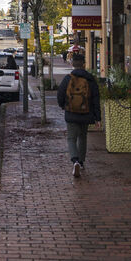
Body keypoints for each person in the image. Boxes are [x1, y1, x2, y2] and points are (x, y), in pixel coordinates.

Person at [56, 48, 101, 178]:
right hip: (86, 113)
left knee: (71, 138)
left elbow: (60, 94)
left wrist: (62, 106)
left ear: (72, 64)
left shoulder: (67, 79)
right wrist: (98, 117)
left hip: (71, 112)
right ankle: (81, 162)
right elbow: (96, 98)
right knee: (83, 137)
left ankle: (74, 160)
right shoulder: (90, 79)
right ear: (84, 64)